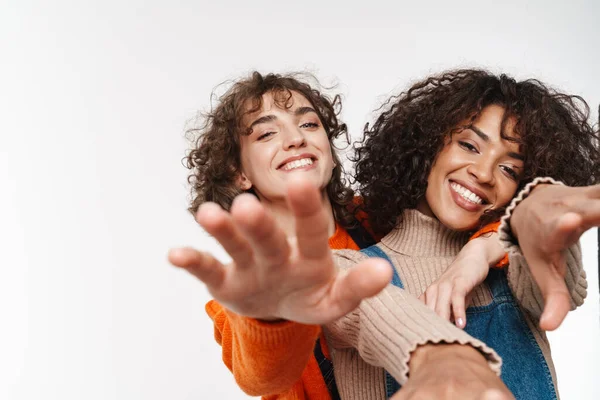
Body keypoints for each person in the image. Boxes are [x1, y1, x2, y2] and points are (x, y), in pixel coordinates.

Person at [169, 71, 515, 400]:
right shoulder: (246, 289)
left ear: (331, 156)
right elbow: (263, 375)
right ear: (239, 173)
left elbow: (493, 209)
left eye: (309, 124)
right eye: (266, 134)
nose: (295, 139)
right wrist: (270, 317)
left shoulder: (386, 219)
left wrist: (481, 251)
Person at [322, 68, 599, 399]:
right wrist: (442, 357)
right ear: (428, 144)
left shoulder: (513, 269)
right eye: (469, 145)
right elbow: (373, 313)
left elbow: (553, 274)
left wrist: (535, 214)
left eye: (510, 169)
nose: (483, 173)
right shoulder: (346, 268)